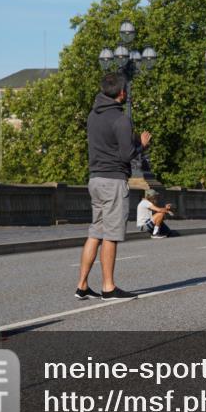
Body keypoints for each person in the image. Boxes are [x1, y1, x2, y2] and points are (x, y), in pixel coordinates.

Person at [76, 73, 149, 301]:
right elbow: (126, 155)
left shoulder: (92, 115)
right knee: (111, 235)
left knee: (95, 232)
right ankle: (108, 287)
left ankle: (82, 285)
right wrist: (142, 145)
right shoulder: (121, 119)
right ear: (122, 92)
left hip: (95, 179)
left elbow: (108, 143)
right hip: (114, 180)